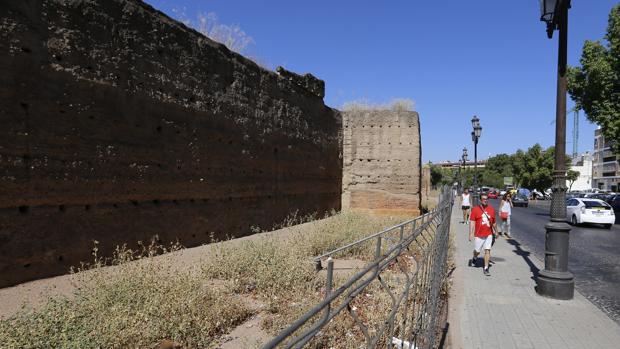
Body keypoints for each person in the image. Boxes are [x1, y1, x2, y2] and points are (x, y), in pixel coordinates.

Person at [468, 193, 498, 276]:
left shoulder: (491, 209)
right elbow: (472, 222)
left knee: (487, 250)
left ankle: (486, 268)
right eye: (483, 199)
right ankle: (474, 257)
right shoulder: (475, 209)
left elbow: (494, 222)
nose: (485, 200)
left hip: (489, 234)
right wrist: (470, 233)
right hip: (479, 234)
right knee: (477, 251)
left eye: (486, 199)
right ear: (480, 200)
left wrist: (496, 231)